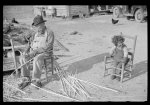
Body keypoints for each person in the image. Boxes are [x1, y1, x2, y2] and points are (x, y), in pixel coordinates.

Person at [18, 15, 54, 89]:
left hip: (46, 53)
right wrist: (26, 51)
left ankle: (36, 80)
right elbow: (30, 44)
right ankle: (26, 78)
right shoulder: (35, 33)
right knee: (22, 58)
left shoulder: (49, 32)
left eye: (39, 26)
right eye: (36, 26)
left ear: (43, 24)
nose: (38, 28)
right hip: (34, 52)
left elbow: (49, 46)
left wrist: (35, 52)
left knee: (37, 58)